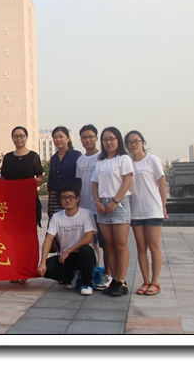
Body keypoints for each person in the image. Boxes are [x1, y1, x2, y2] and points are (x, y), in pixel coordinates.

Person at [91, 126, 134, 297]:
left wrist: (115, 201)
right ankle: (114, 279)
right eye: (105, 139)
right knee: (109, 246)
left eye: (112, 139)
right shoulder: (100, 161)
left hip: (119, 204)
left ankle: (122, 281)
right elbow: (94, 184)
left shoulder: (124, 159)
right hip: (103, 205)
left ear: (118, 140)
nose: (108, 142)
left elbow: (127, 181)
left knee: (121, 244)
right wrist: (97, 202)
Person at [0, 126, 43, 286]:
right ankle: (15, 270)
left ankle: (26, 271)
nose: (19, 139)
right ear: (12, 138)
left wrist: (38, 181)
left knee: (27, 238)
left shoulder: (33, 156)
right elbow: (3, 179)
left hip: (28, 204)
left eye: (21, 136)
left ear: (26, 137)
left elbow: (40, 176)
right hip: (11, 204)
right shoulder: (8, 157)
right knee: (12, 239)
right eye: (16, 136)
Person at [126, 130, 168, 296]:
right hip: (136, 211)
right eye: (130, 142)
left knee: (153, 246)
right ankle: (145, 281)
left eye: (136, 141)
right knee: (141, 247)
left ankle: (155, 282)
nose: (133, 145)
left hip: (153, 210)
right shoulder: (128, 163)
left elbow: (162, 184)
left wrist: (163, 205)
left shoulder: (152, 160)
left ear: (142, 142)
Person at [37, 183, 96, 296]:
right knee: (46, 269)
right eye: (64, 197)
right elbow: (49, 239)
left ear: (77, 199)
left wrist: (68, 251)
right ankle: (71, 277)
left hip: (83, 256)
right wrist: (42, 262)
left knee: (85, 250)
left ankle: (87, 283)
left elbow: (88, 238)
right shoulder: (57, 216)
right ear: (60, 200)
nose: (67, 200)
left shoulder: (86, 214)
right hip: (66, 258)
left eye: (71, 197)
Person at [76, 124, 111, 291]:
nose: (87, 140)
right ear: (80, 140)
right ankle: (92, 272)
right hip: (85, 208)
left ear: (96, 138)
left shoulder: (103, 157)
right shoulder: (80, 160)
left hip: (100, 208)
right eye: (84, 137)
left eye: (91, 136)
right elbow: (79, 183)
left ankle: (108, 275)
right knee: (89, 244)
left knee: (105, 244)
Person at [47, 126, 82, 219]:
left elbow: (79, 180)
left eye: (61, 137)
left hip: (71, 198)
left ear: (68, 138)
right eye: (55, 137)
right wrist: (49, 203)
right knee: (55, 223)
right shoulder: (54, 158)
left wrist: (78, 198)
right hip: (55, 198)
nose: (58, 140)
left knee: (71, 222)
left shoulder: (76, 155)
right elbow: (51, 182)